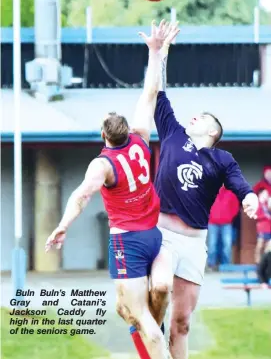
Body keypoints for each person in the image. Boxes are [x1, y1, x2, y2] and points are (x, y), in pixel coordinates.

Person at [45, 21, 179, 359]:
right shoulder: (139, 138)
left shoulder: (102, 165)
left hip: (128, 243)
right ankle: (152, 345)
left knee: (139, 318)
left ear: (104, 136)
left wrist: (62, 225)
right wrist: (154, 52)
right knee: (145, 306)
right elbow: (150, 92)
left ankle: (155, 349)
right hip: (153, 234)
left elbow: (81, 194)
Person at [137, 22, 259, 359]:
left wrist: (249, 198)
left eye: (202, 117)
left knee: (183, 323)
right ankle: (148, 326)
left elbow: (240, 186)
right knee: (160, 285)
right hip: (161, 233)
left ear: (213, 130)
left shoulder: (222, 159)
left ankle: (160, 334)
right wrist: (157, 53)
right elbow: (157, 91)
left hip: (194, 243)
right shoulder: (173, 134)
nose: (195, 117)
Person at [207, 185, 240, 270]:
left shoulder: (231, 192)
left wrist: (229, 217)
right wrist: (209, 216)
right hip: (212, 223)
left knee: (227, 245)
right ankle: (211, 265)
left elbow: (236, 206)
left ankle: (226, 266)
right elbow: (204, 204)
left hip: (226, 223)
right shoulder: (210, 191)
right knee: (212, 245)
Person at [254, 188, 271, 264]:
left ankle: (265, 262)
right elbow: (256, 215)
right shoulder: (257, 204)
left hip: (269, 227)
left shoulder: (268, 204)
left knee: (268, 246)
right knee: (260, 245)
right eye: (265, 194)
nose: (267, 195)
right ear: (261, 194)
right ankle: (257, 262)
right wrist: (265, 216)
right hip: (262, 227)